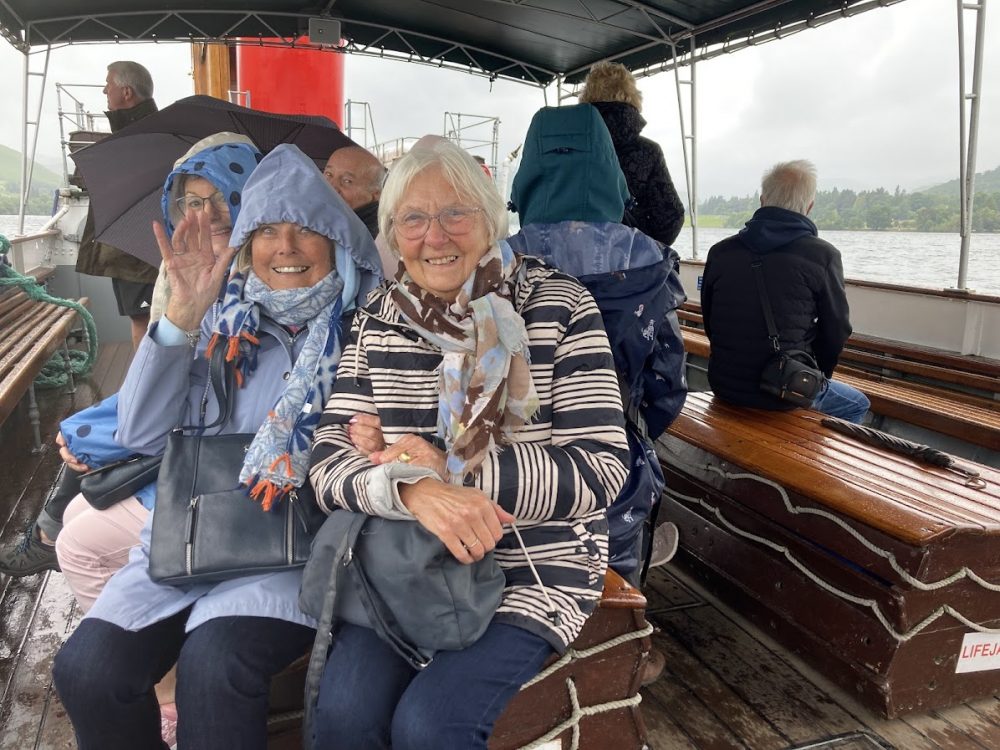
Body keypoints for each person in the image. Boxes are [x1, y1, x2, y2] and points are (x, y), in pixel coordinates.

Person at [52, 143, 383, 750]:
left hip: (292, 552)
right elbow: (141, 433)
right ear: (248, 244)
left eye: (306, 229)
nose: (285, 247)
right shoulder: (219, 321)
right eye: (267, 231)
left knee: (214, 666)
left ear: (337, 239)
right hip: (189, 538)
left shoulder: (367, 328)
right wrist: (180, 318)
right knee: (85, 672)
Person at [308, 138, 630, 749]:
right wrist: (413, 489)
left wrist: (450, 471)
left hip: (532, 563)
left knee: (430, 725)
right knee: (344, 715)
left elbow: (602, 469)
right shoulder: (379, 316)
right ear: (392, 233)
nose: (435, 236)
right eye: (413, 218)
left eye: (455, 212)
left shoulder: (558, 306)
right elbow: (326, 462)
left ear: (491, 220)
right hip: (407, 561)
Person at [0, 133, 259, 582]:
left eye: (221, 197)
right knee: (79, 442)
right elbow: (170, 366)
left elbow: (210, 397)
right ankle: (49, 528)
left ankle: (47, 534)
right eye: (194, 202)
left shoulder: (266, 282)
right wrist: (184, 311)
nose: (207, 214)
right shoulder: (191, 271)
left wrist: (107, 442)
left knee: (80, 515)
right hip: (184, 416)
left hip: (212, 448)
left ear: (249, 197)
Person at [701, 159, 870, 423]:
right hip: (784, 390)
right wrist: (816, 374)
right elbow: (837, 329)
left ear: (762, 200)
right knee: (858, 404)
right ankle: (815, 449)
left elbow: (710, 320)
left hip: (725, 384)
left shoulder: (721, 252)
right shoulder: (822, 256)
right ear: (809, 207)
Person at [76, 61, 160, 350]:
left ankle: (145, 379)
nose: (104, 90)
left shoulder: (138, 135)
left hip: (138, 252)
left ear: (126, 92)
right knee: (148, 319)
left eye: (108, 84)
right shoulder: (150, 131)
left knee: (145, 321)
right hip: (134, 251)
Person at [579, 61, 685, 246]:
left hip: (567, 255)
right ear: (632, 97)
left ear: (586, 97)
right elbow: (670, 218)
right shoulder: (647, 152)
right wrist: (641, 245)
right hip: (628, 258)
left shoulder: (565, 148)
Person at [322, 145, 386, 238]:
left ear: (376, 194)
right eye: (329, 174)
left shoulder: (367, 240)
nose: (331, 187)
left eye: (347, 181)